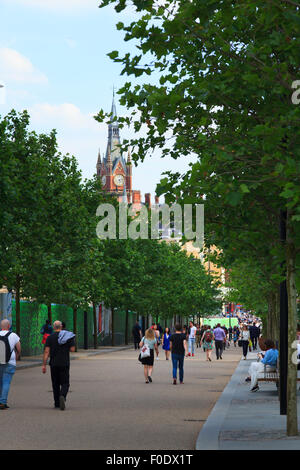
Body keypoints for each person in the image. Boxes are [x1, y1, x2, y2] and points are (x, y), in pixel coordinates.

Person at [42, 320, 76, 410]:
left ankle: (57, 402)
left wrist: (44, 365)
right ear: (61, 326)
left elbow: (46, 351)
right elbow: (72, 349)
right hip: (64, 363)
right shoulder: (68, 336)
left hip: (53, 364)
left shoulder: (50, 337)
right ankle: (63, 396)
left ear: (54, 327)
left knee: (55, 383)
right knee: (65, 383)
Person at [0, 319, 21, 410]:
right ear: (9, 326)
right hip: (10, 362)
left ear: (1, 326)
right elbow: (19, 348)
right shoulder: (13, 335)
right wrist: (16, 356)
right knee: (6, 382)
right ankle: (2, 402)